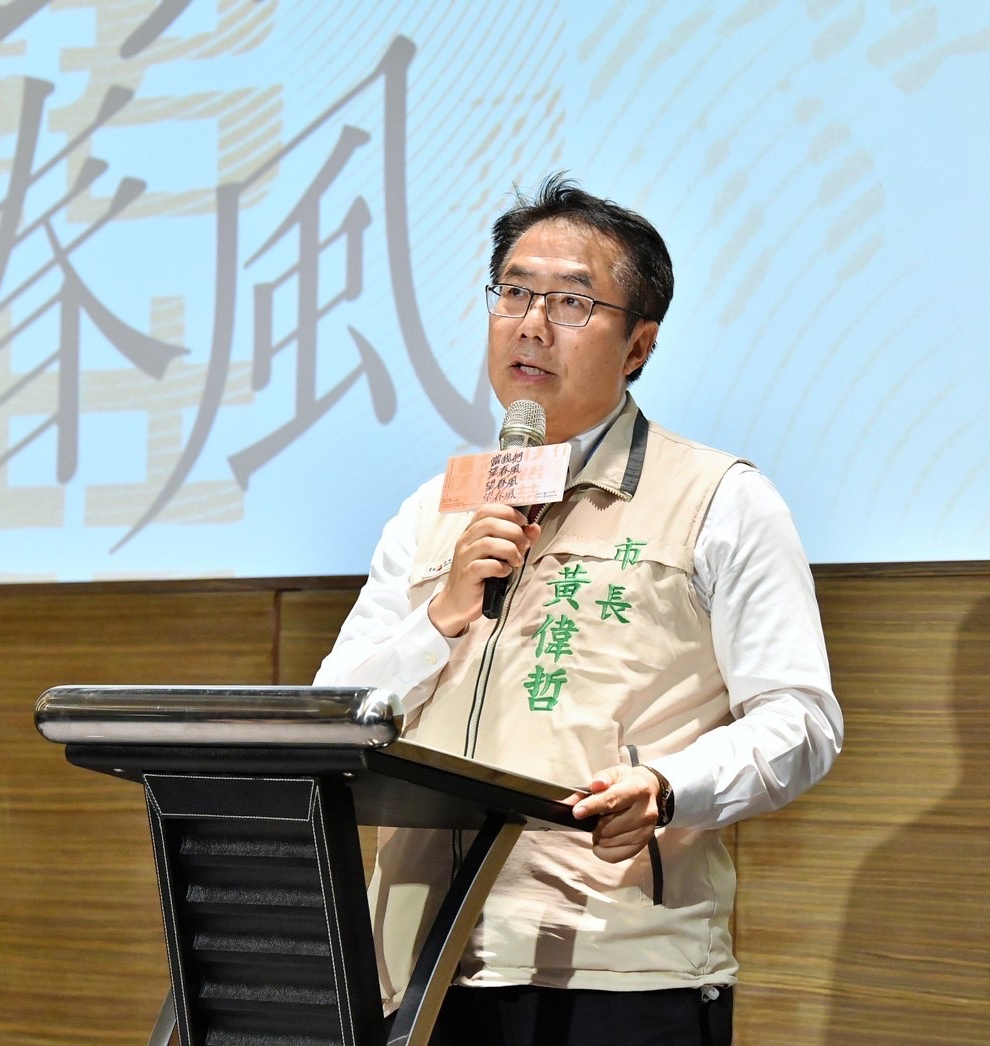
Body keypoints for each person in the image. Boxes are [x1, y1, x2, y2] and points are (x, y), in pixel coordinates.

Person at [314, 173, 842, 1045]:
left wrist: (671, 788)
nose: (531, 323)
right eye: (514, 292)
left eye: (571, 302)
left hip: (611, 967)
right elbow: (333, 715)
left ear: (638, 346)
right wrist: (440, 616)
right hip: (416, 973)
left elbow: (802, 720)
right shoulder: (431, 511)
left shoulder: (720, 499)